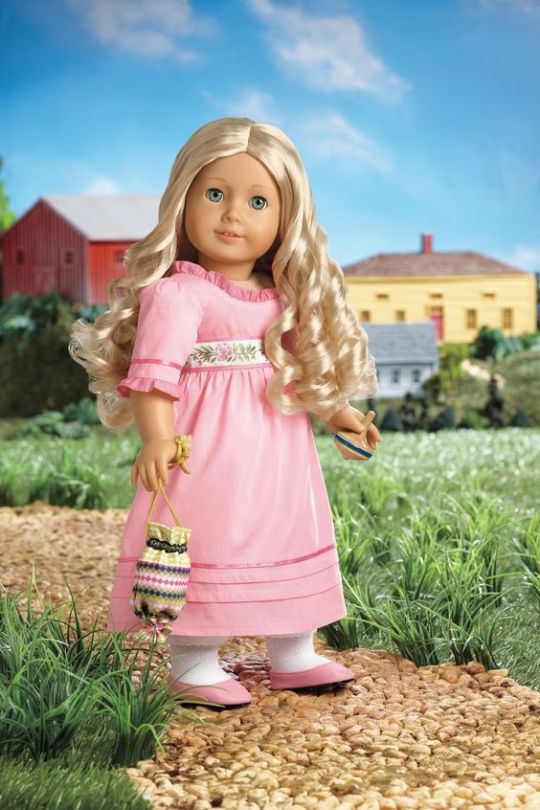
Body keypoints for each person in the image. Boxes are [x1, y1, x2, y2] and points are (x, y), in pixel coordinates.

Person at [69, 117, 381, 707]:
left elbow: (301, 370)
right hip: (206, 449)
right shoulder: (178, 294)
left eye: (257, 202)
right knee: (206, 536)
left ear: (285, 217)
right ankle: (193, 660)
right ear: (184, 198)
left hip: (278, 450)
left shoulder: (283, 296)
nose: (233, 215)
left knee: (287, 528)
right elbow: (154, 377)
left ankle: (293, 650)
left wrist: (338, 412)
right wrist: (157, 438)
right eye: (215, 194)